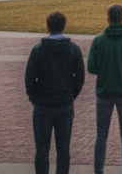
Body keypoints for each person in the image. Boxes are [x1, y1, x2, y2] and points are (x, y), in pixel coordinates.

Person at [25, 10, 85, 174]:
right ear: (63, 26)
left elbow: (29, 79)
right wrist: (70, 95)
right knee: (63, 148)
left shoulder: (38, 50)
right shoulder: (73, 50)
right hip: (64, 104)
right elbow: (79, 78)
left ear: (48, 27)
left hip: (43, 104)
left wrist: (35, 99)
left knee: (42, 149)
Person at [87, 4, 122, 174]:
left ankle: (98, 170)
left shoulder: (99, 41)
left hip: (104, 93)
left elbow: (91, 67)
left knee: (101, 135)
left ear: (108, 18)